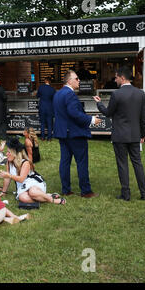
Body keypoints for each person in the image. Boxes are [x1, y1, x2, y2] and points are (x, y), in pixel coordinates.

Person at [93, 66, 145, 201]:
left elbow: (108, 113)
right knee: (137, 163)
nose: (115, 79)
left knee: (122, 164)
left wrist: (99, 104)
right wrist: (143, 134)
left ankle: (126, 194)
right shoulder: (140, 93)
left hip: (120, 135)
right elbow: (142, 117)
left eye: (116, 77)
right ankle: (144, 193)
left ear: (122, 78)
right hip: (135, 134)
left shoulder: (116, 94)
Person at [53, 70, 101, 198]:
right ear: (69, 81)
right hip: (75, 134)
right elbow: (74, 113)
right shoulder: (70, 94)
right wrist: (91, 120)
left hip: (63, 133)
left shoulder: (58, 94)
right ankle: (86, 191)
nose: (79, 80)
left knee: (65, 162)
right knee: (81, 162)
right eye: (77, 78)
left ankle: (66, 189)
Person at [0, 138, 65, 205]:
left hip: (33, 183)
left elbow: (21, 179)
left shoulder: (25, 163)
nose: (6, 154)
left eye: (9, 152)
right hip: (23, 186)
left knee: (32, 192)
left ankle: (53, 200)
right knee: (22, 198)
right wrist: (4, 192)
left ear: (15, 153)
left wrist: (9, 175)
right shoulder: (9, 162)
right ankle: (46, 196)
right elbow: (7, 178)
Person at [36, 77, 56, 141]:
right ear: (50, 81)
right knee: (50, 124)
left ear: (45, 81)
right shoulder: (52, 89)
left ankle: (42, 137)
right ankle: (49, 138)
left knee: (42, 123)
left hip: (42, 107)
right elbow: (54, 99)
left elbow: (37, 96)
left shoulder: (41, 87)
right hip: (50, 108)